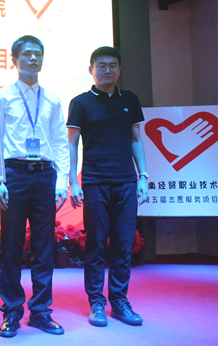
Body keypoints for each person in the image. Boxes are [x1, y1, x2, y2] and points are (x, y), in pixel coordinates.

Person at [0, 35, 69, 337]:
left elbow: (60, 142)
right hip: (14, 174)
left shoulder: (53, 99)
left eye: (38, 54)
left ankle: (41, 311)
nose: (33, 58)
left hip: (45, 174)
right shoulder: (1, 96)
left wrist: (62, 182)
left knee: (44, 246)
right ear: (14, 59)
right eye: (27, 54)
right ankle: (11, 311)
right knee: (11, 246)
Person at [67, 46, 148, 328]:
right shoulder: (80, 102)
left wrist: (143, 175)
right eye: (101, 66)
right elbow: (71, 143)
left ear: (119, 70)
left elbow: (136, 139)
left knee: (124, 244)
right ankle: (96, 302)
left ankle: (119, 301)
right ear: (91, 70)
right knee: (96, 244)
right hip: (95, 182)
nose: (107, 70)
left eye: (112, 66)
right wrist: (72, 181)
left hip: (126, 181)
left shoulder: (130, 99)